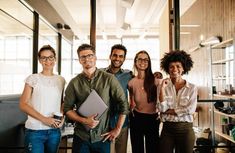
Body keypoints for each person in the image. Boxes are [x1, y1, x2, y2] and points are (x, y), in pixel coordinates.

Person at [63, 44, 129, 153]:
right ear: (79, 60)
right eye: (83, 57)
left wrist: (117, 129)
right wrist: (84, 120)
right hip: (81, 137)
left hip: (102, 137)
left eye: (90, 55)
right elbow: (67, 109)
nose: (87, 59)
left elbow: (124, 104)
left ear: (95, 57)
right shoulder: (74, 83)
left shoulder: (109, 79)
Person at [19, 45, 65, 153]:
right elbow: (23, 104)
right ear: (39, 60)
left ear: (55, 59)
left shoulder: (61, 80)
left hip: (54, 131)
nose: (47, 60)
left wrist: (62, 118)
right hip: (35, 131)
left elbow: (62, 103)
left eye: (50, 57)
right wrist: (44, 119)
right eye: (44, 58)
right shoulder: (33, 78)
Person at [158, 50, 197, 153]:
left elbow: (190, 109)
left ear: (183, 68)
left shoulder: (192, 88)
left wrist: (167, 111)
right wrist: (161, 89)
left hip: (186, 130)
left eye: (178, 66)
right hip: (167, 129)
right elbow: (161, 108)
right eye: (171, 66)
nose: (174, 69)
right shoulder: (163, 86)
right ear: (167, 69)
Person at [101, 44, 132, 153]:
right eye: (115, 55)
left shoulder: (129, 75)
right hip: (104, 123)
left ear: (124, 58)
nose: (117, 59)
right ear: (110, 56)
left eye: (120, 56)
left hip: (122, 122)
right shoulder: (100, 73)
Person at [128, 50, 160, 153]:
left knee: (153, 148)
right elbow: (131, 100)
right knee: (137, 149)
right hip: (136, 118)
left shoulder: (156, 81)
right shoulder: (131, 82)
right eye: (140, 59)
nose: (143, 62)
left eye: (146, 60)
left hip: (152, 118)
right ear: (135, 62)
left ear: (149, 62)